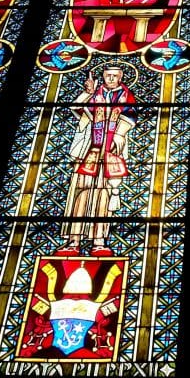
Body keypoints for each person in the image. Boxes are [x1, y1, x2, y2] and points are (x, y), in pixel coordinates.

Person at [58, 65, 138, 257]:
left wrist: (119, 134)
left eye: (114, 76)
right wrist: (88, 92)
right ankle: (74, 240)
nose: (110, 79)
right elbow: (77, 110)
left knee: (104, 195)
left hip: (111, 151)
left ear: (120, 78)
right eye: (107, 76)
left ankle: (99, 241)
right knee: (80, 193)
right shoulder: (95, 93)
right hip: (88, 150)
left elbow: (130, 115)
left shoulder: (126, 96)